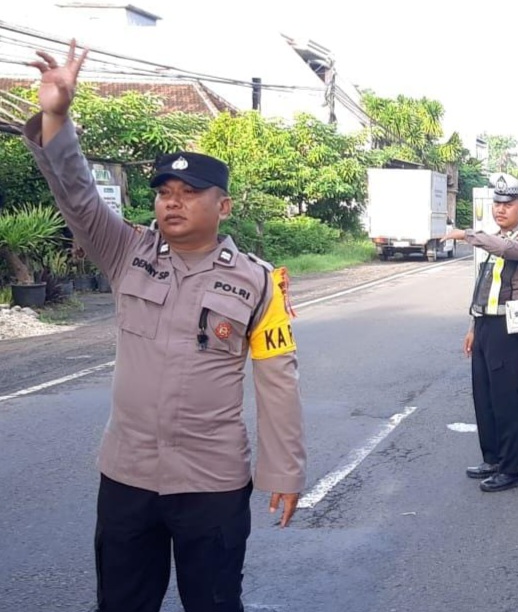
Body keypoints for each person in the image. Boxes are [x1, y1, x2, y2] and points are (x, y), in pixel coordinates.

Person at [23, 42, 306, 612]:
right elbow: (76, 195)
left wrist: (284, 470)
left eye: (189, 194)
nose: (172, 203)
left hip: (212, 483)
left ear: (222, 207)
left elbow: (278, 380)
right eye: (164, 194)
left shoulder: (257, 283)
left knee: (214, 603)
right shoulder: (126, 250)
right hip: (127, 476)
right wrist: (57, 116)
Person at [441, 174, 518, 492]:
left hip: (508, 330)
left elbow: (504, 248)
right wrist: (473, 326)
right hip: (486, 325)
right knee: (483, 397)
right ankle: (493, 458)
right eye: (497, 204)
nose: (501, 209)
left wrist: (466, 234)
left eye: (508, 204)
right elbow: (484, 288)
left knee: (506, 399)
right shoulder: (495, 241)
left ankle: (512, 470)